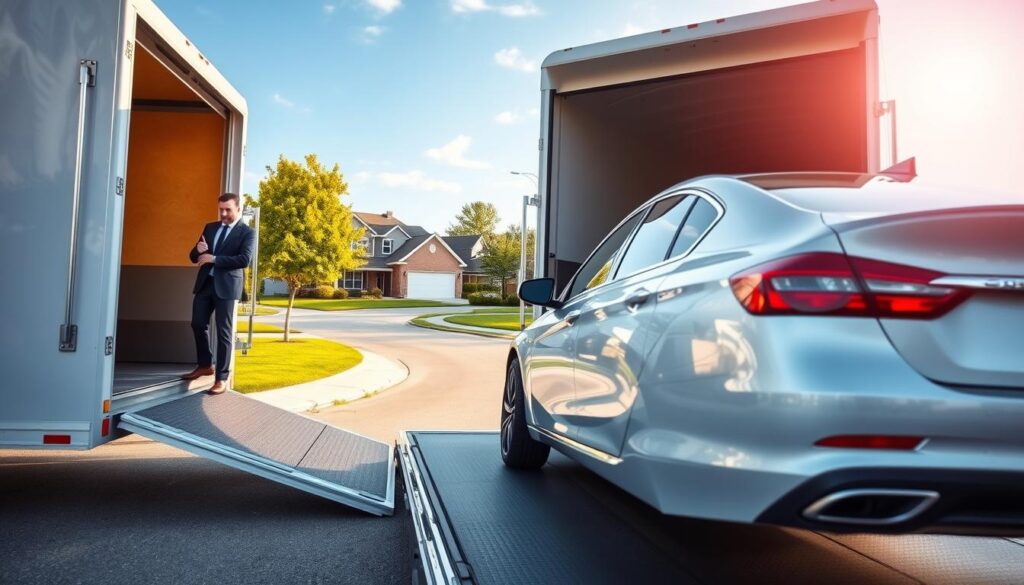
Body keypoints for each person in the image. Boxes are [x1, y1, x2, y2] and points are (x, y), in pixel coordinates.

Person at [180, 193, 256, 394]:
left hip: (228, 287)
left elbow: (244, 260)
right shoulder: (210, 227)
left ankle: (221, 378)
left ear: (238, 209)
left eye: (228, 209)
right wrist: (197, 250)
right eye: (221, 209)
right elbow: (194, 256)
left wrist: (214, 258)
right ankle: (205, 364)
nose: (223, 213)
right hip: (206, 284)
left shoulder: (247, 232)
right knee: (197, 323)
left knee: (224, 332)